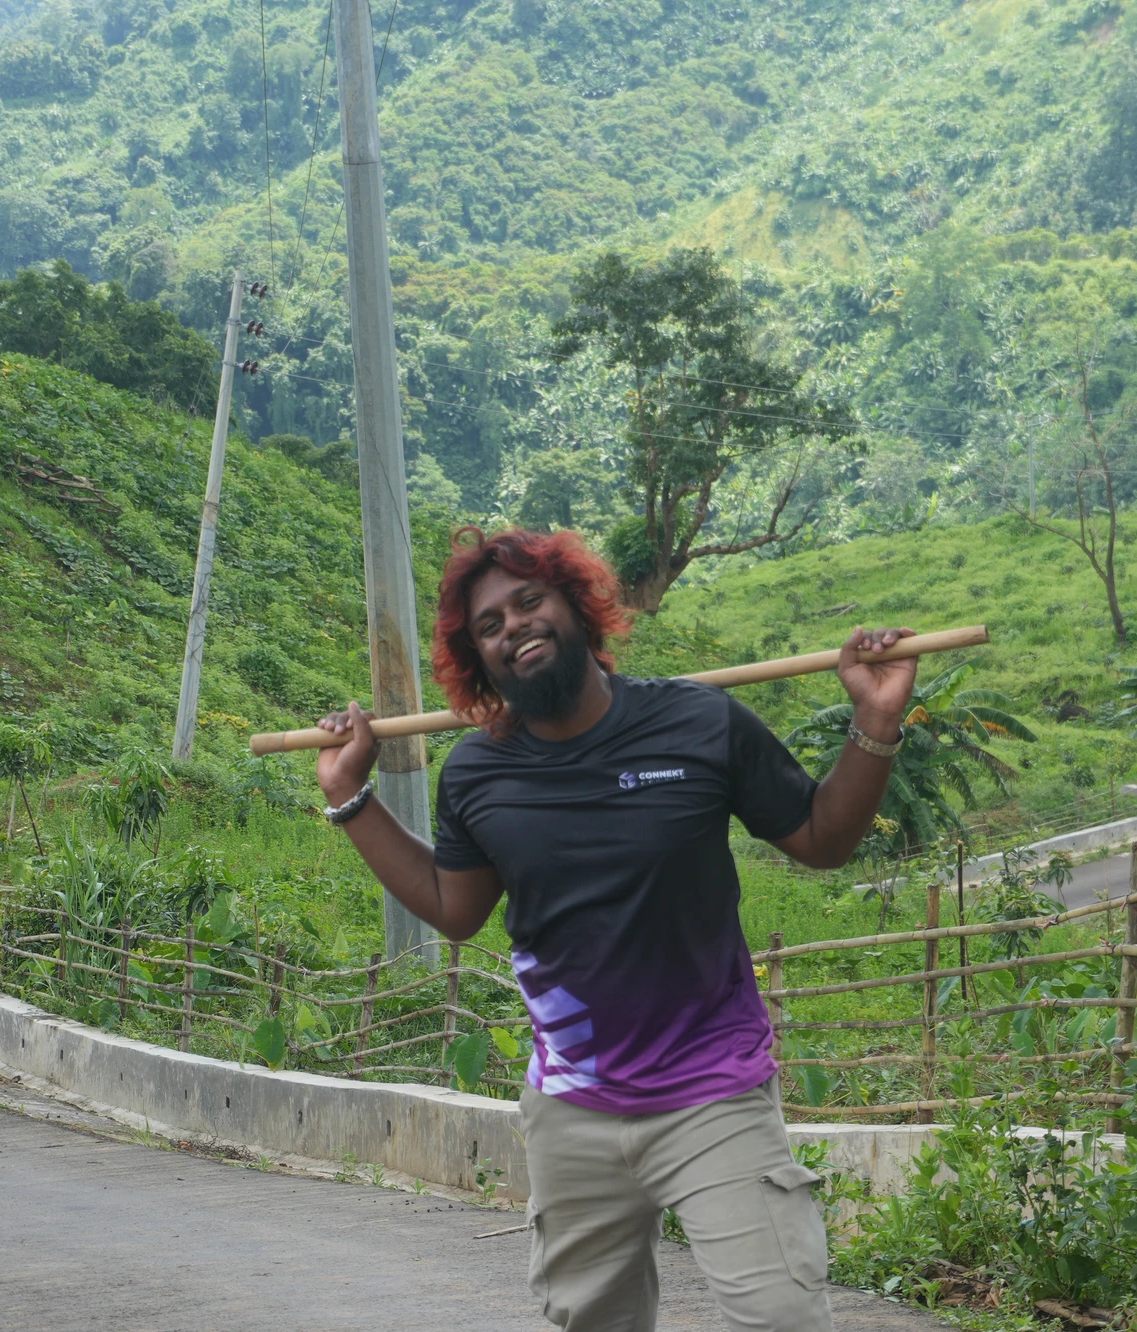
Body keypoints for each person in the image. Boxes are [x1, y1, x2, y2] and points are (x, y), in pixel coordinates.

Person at [313, 527, 917, 1332]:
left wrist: (873, 723)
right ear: (478, 659)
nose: (513, 627)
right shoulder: (477, 773)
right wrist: (352, 800)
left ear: (577, 607)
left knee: (781, 1317)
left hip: (713, 1092)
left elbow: (822, 838)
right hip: (571, 1110)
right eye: (488, 625)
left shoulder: (700, 722)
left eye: (529, 602)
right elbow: (455, 910)